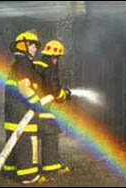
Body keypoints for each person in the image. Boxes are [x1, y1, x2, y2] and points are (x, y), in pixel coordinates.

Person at [3, 31, 44, 184]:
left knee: (13, 143)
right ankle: (28, 176)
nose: (35, 48)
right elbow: (24, 87)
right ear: (23, 45)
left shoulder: (17, 63)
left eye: (36, 46)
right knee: (26, 143)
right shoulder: (24, 63)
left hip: (13, 114)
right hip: (21, 113)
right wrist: (36, 103)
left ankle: (10, 172)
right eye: (32, 45)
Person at [33, 40, 71, 178]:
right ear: (55, 57)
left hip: (32, 104)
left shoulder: (37, 64)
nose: (57, 60)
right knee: (51, 132)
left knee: (34, 136)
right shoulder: (49, 67)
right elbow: (53, 88)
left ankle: (33, 165)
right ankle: (51, 167)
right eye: (58, 58)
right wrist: (63, 95)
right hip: (40, 106)